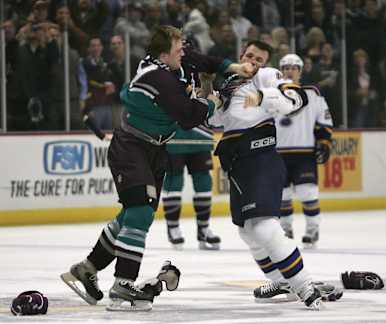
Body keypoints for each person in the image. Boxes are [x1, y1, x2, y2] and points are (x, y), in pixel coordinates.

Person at [61, 25, 253, 312]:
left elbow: (203, 61)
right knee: (139, 213)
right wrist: (213, 101)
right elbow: (189, 117)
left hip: (153, 148)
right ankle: (123, 283)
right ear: (164, 55)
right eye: (178, 49)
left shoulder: (170, 65)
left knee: (132, 213)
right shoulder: (158, 77)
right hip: (132, 147)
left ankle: (87, 268)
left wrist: (233, 66)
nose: (184, 53)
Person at [207, 40, 329, 310]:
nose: (253, 62)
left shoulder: (266, 76)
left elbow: (295, 99)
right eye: (250, 56)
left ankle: (304, 284)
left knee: (263, 225)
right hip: (238, 163)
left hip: (261, 158)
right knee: (248, 232)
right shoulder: (227, 82)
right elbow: (217, 121)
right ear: (241, 55)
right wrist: (207, 101)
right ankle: (281, 281)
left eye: (259, 59)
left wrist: (264, 97)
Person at [162, 55, 221, 251]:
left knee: (203, 183)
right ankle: (173, 228)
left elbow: (210, 100)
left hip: (200, 137)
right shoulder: (164, 71)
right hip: (174, 137)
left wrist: (207, 83)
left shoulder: (200, 69)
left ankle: (204, 229)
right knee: (173, 181)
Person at [275, 54, 333, 249]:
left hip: (304, 152)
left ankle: (312, 229)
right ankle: (285, 229)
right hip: (277, 153)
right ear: (280, 71)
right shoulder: (271, 92)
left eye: (294, 67)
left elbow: (323, 121)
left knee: (308, 192)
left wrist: (324, 141)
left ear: (300, 71)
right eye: (285, 67)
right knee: (281, 195)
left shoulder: (313, 93)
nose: (289, 70)